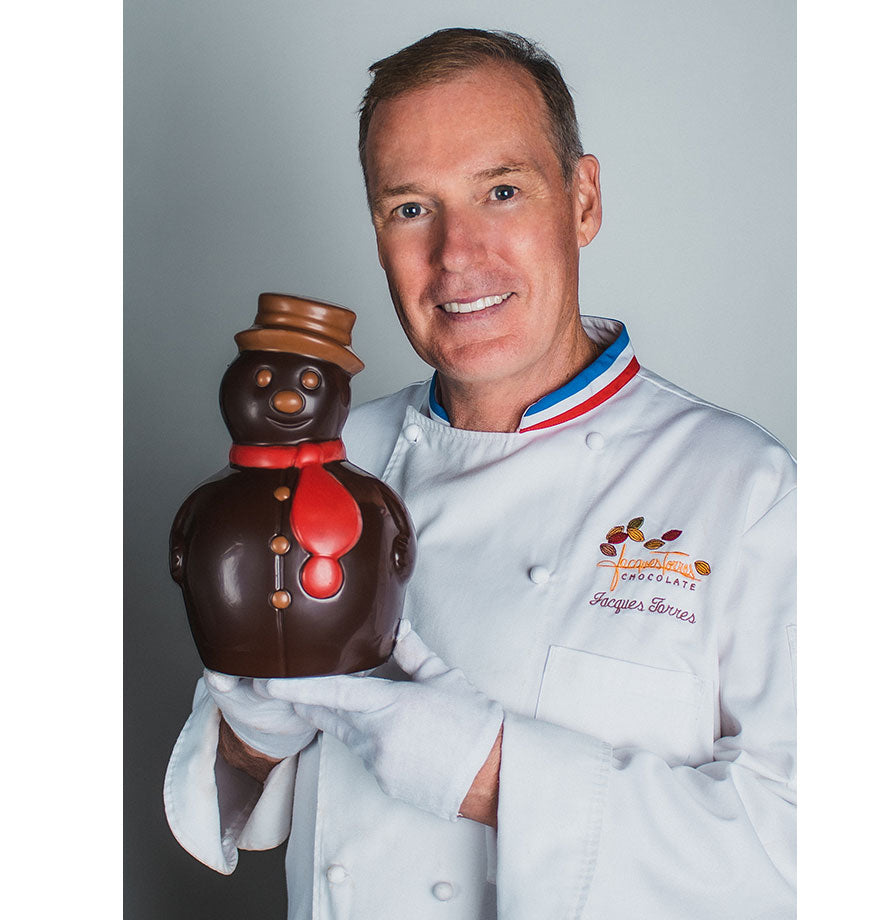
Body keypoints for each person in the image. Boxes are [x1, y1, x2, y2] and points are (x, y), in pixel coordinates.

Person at [164, 28, 796, 919]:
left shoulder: (744, 489)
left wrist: (492, 773)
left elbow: (806, 849)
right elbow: (232, 802)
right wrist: (250, 736)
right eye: (411, 208)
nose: (457, 254)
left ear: (582, 201)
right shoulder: (334, 462)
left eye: (501, 190)